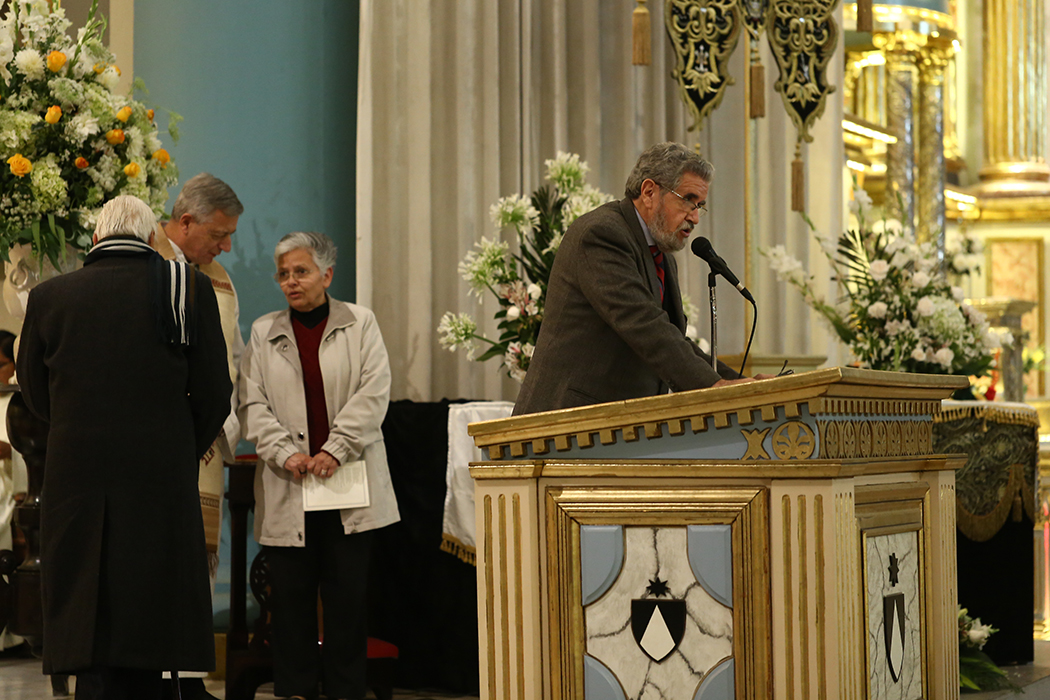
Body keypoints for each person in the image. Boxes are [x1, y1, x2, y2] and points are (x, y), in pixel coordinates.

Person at [16, 195, 231, 699]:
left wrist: (75, 430)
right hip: (159, 479)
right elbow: (214, 393)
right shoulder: (187, 288)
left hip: (76, 478)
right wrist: (178, 446)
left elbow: (33, 390)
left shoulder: (50, 296)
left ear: (96, 238)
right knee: (152, 603)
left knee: (85, 603)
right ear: (151, 237)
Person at [240, 231, 399, 700]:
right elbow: (251, 404)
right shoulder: (263, 332)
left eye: (301, 271)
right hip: (289, 480)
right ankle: (296, 692)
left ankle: (346, 692)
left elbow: (374, 392)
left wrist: (336, 449)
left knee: (347, 600)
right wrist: (285, 452)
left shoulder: (360, 323)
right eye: (283, 273)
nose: (291, 281)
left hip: (346, 481)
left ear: (327, 275)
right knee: (290, 603)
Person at [513, 141, 769, 415]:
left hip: (615, 422)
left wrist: (740, 384)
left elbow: (673, 337)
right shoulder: (601, 234)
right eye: (688, 200)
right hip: (564, 421)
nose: (695, 217)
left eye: (700, 206)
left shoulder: (660, 255)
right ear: (649, 192)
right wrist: (713, 386)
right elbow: (644, 324)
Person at [153, 173, 243, 700]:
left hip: (204, 439)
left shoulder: (220, 279)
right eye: (219, 234)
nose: (225, 246)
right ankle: (148, 674)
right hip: (153, 439)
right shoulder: (145, 263)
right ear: (185, 222)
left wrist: (225, 419)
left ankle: (188, 676)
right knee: (150, 557)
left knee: (197, 557)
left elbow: (231, 357)